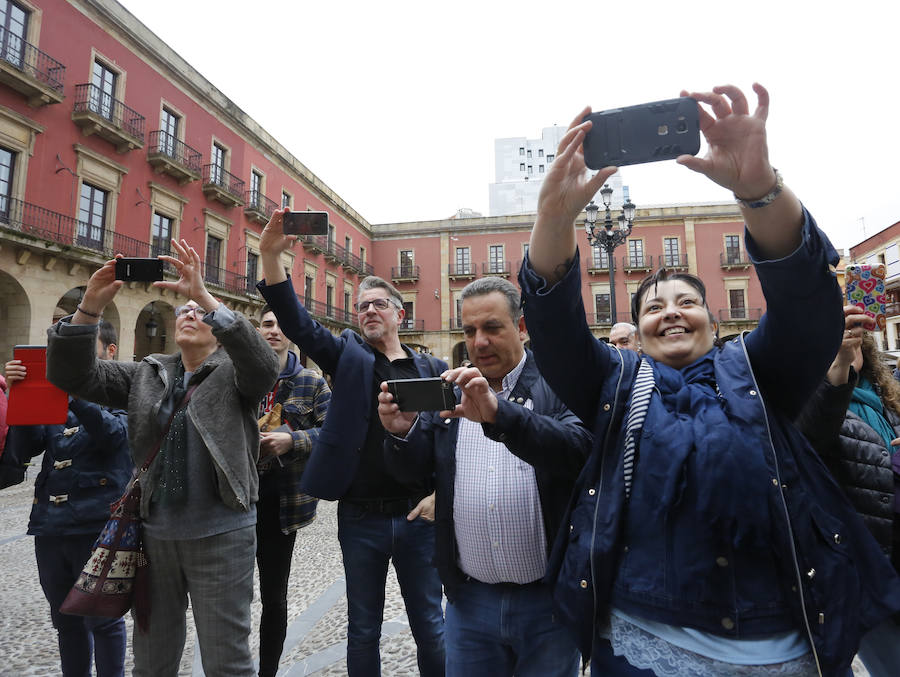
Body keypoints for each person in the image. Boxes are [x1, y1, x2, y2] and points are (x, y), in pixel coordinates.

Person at [518, 83, 900, 676]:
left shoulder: (756, 370)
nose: (670, 311)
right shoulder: (614, 383)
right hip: (639, 649)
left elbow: (806, 306)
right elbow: (555, 328)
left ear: (714, 322)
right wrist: (554, 218)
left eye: (686, 301)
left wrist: (759, 187)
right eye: (653, 307)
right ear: (639, 335)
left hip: (784, 647)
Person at [45, 239, 279, 677]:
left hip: (223, 533)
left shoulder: (236, 374)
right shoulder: (146, 373)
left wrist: (205, 296)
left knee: (226, 659)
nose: (190, 314)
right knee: (152, 659)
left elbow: (265, 366)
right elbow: (71, 375)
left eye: (199, 312)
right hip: (153, 537)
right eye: (183, 311)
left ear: (216, 324)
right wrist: (90, 307)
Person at [256, 224, 446, 677]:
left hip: (418, 517)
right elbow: (299, 322)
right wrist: (269, 257)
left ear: (400, 315)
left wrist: (444, 493)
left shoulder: (432, 369)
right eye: (361, 306)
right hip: (361, 517)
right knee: (363, 630)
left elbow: (449, 440)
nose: (369, 310)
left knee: (430, 625)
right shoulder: (348, 358)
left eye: (380, 303)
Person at [377, 276, 591, 676]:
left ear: (522, 328)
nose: (479, 343)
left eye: (492, 328)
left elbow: (578, 451)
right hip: (469, 602)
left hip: (548, 604)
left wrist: (499, 415)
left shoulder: (561, 384)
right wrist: (401, 432)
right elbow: (415, 473)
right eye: (470, 331)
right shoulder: (453, 391)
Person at [1, 321, 132, 677]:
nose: (71, 364)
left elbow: (116, 436)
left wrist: (76, 391)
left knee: (102, 621)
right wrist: (21, 396)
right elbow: (26, 448)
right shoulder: (54, 396)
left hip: (98, 526)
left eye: (81, 355)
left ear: (110, 352)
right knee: (65, 619)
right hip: (51, 525)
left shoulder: (126, 390)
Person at [796, 306, 900, 676]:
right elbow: (817, 431)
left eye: (850, 343)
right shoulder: (806, 404)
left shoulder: (887, 398)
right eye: (830, 346)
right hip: (866, 566)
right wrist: (838, 367)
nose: (842, 350)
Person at [255, 305, 331, 677]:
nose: (274, 331)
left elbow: (333, 433)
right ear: (257, 330)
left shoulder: (311, 383)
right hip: (232, 502)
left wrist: (293, 440)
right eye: (267, 324)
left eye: (281, 325)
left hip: (281, 505)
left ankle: (267, 670)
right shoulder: (237, 377)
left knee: (274, 596)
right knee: (229, 596)